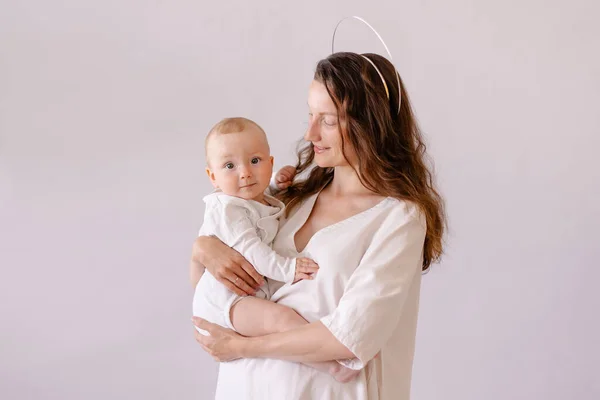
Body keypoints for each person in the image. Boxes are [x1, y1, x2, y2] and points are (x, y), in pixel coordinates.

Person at [190, 52, 446, 399]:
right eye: (311, 115)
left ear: (369, 123)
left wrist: (242, 346)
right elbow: (212, 302)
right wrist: (203, 250)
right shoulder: (288, 201)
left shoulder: (397, 219)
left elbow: (348, 338)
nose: (310, 133)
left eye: (327, 120)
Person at [192, 117, 360, 382]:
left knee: (280, 321)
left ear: (270, 163)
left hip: (244, 295)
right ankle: (332, 366)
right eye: (229, 166)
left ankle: (327, 355)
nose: (245, 172)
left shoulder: (250, 200)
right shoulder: (227, 210)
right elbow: (253, 250)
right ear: (213, 177)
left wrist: (274, 187)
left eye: (255, 161)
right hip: (226, 302)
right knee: (280, 320)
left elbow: (260, 208)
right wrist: (289, 269)